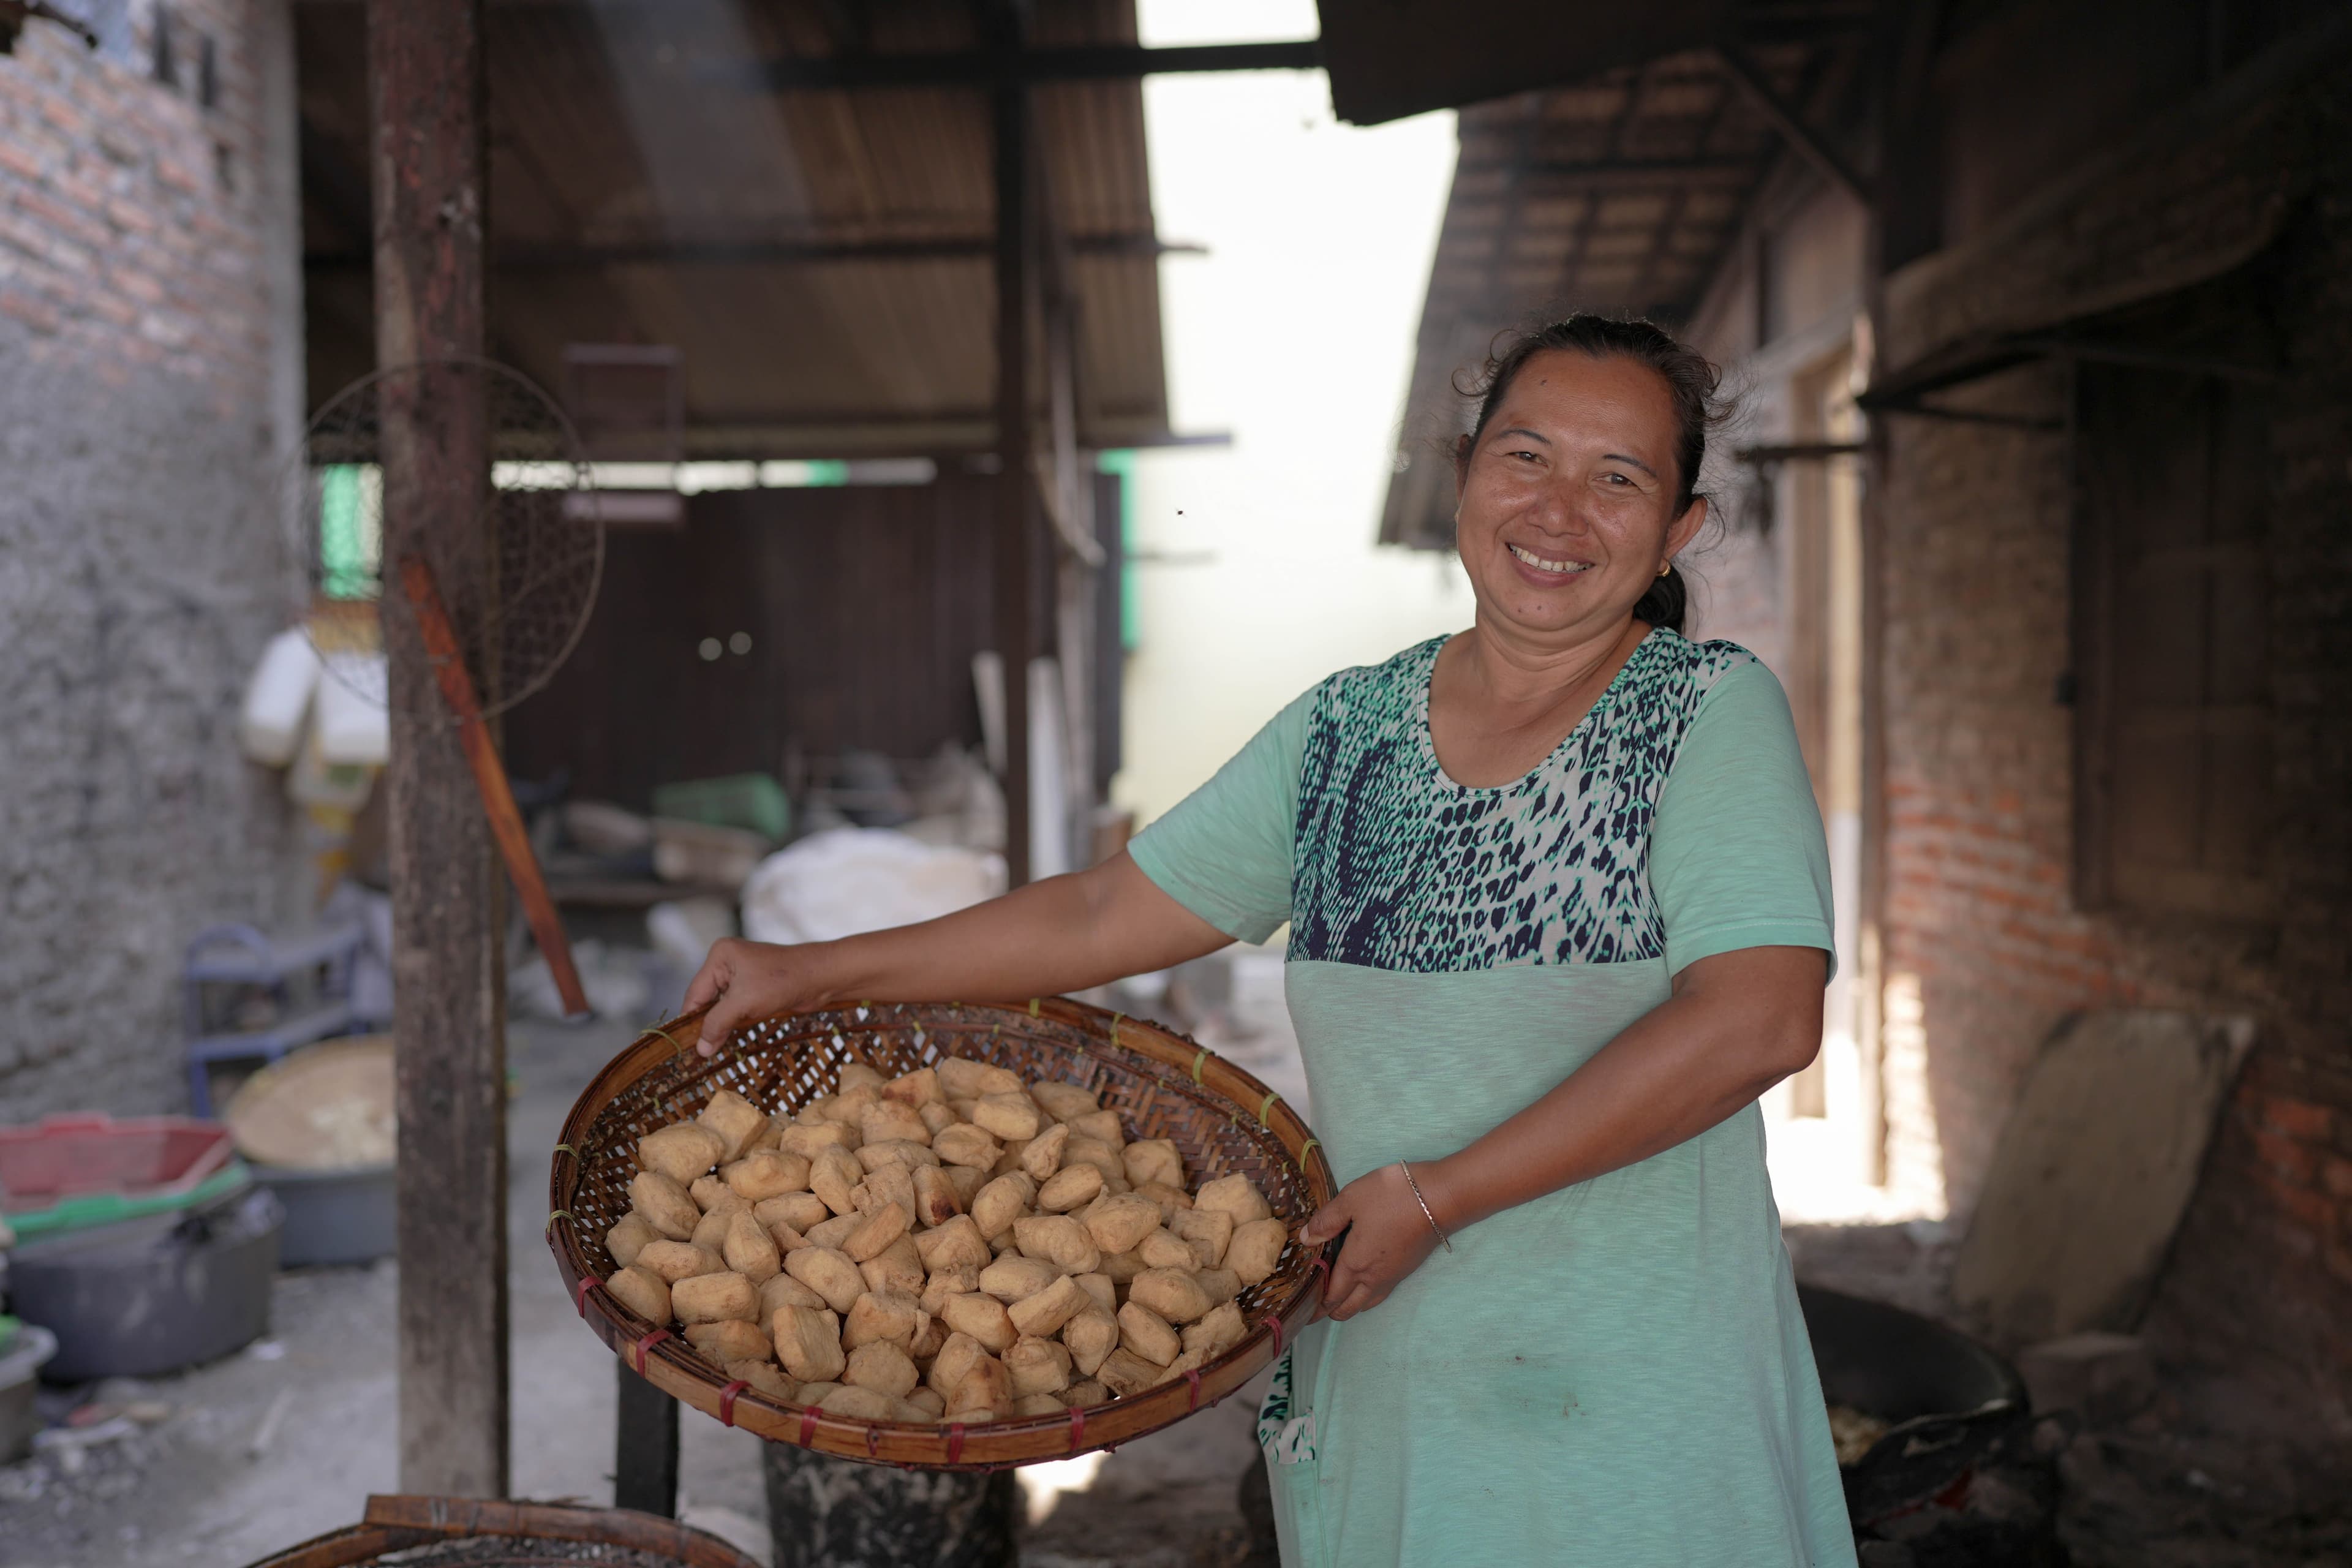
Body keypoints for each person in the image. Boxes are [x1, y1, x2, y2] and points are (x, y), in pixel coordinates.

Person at [685, 315, 1857, 1567]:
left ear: (1678, 527)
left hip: (1634, 1401)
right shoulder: (1347, 737)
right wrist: (807, 967)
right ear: (1463, 472)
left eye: (1618, 476)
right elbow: (1097, 912)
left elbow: (1759, 1017)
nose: (1560, 508)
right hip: (1391, 1373)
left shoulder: (1702, 715)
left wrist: (1435, 1195)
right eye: (1527, 455)